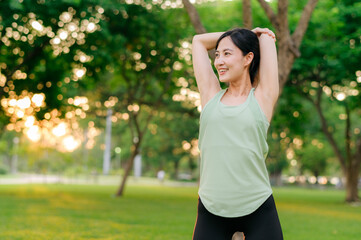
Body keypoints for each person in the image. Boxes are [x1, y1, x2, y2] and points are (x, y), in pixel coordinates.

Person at [191, 27, 283, 240]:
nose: (219, 61)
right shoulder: (210, 95)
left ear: (248, 58)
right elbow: (198, 41)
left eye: (227, 53)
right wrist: (240, 34)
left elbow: (267, 39)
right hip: (211, 207)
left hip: (257, 206)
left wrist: (257, 37)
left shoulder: (262, 97)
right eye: (217, 55)